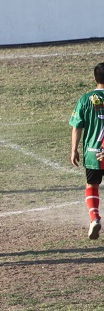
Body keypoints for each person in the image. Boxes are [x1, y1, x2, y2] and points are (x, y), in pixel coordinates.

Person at [70, 63, 104, 240]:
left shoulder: (85, 99)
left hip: (93, 154)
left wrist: (74, 150)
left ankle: (94, 218)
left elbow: (77, 127)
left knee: (92, 186)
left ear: (95, 79)